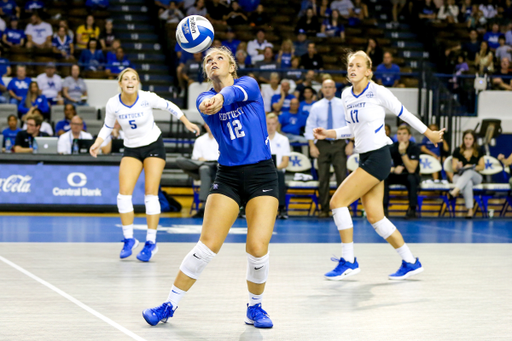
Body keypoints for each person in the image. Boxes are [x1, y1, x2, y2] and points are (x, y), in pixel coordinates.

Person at [142, 46, 278, 329]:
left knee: (256, 247)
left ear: (232, 66)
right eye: (207, 60)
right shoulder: (205, 97)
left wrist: (220, 97)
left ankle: (255, 308)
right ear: (205, 71)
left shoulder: (249, 85)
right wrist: (212, 101)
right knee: (207, 246)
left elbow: (231, 95)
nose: (213, 62)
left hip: (261, 175)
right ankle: (168, 305)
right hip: (227, 175)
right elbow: (209, 103)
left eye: (219, 58)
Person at [313, 50, 444, 280]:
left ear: (368, 71)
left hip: (379, 156)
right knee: (375, 217)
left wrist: (429, 133)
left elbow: (404, 114)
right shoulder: (346, 95)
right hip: (365, 156)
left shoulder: (377, 91)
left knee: (337, 202)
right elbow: (352, 130)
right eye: (350, 65)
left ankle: (349, 261)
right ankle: (410, 261)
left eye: (358, 65)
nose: (352, 68)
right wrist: (329, 133)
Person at [89, 68, 199, 261]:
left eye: (134, 78)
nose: (130, 81)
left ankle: (150, 242)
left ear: (137, 82)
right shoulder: (113, 103)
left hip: (153, 146)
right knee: (123, 195)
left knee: (150, 194)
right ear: (120, 84)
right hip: (131, 148)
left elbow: (169, 106)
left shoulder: (147, 98)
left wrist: (186, 122)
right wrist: (97, 143)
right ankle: (129, 239)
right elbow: (107, 126)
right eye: (126, 79)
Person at [305, 79, 352, 218]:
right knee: (323, 178)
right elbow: (310, 126)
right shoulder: (316, 106)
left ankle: (342, 209)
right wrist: (312, 146)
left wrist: (351, 143)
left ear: (334, 89)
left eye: (330, 87)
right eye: (325, 87)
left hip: (339, 143)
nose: (327, 89)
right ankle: (324, 209)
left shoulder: (343, 105)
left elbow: (351, 124)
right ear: (322, 89)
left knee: (342, 178)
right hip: (322, 144)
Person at [175, 123, 219, 218]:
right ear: (205, 126)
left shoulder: (221, 138)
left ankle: (202, 206)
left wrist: (205, 161)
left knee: (205, 168)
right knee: (179, 160)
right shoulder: (200, 140)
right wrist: (203, 161)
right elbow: (195, 158)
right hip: (201, 168)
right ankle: (203, 206)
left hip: (217, 169)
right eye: (207, 124)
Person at [383, 125, 421, 218]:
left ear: (409, 136)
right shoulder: (392, 147)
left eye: (404, 134)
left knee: (412, 179)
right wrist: (393, 169)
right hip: (397, 174)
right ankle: (384, 208)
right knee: (384, 178)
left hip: (410, 175)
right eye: (399, 134)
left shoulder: (414, 147)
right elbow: (384, 165)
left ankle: (412, 209)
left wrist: (403, 153)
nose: (401, 136)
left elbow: (411, 169)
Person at [449, 130, 484, 219]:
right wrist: (458, 166)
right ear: (463, 139)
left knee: (469, 171)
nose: (468, 141)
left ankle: (454, 191)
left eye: (470, 139)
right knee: (468, 183)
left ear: (474, 140)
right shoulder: (457, 150)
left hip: (475, 176)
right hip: (459, 176)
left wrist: (471, 166)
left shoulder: (479, 150)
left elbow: (482, 167)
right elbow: (453, 168)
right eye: (466, 138)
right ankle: (470, 210)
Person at [267, 113, 291, 219]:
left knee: (279, 174)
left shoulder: (283, 139)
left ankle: (281, 208)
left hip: (277, 170)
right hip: (262, 170)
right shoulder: (259, 138)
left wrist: (275, 169)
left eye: (273, 124)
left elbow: (285, 162)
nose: (270, 126)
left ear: (277, 124)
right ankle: (244, 207)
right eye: (268, 124)